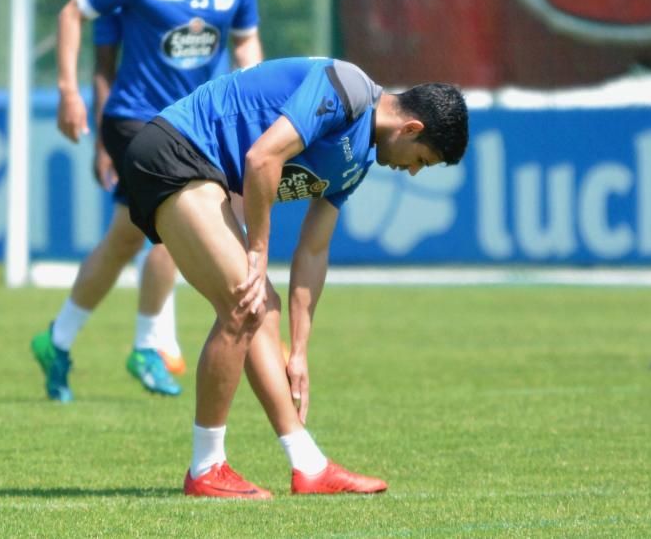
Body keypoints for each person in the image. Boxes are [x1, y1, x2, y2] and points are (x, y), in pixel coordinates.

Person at [123, 57, 469, 497]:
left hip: (197, 168)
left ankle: (308, 465)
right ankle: (206, 469)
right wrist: (257, 250)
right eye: (422, 160)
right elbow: (262, 157)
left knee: (261, 309)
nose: (414, 171)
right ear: (412, 129)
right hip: (175, 150)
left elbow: (313, 249)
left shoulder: (360, 158)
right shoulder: (348, 89)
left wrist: (299, 350)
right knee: (244, 304)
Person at [31, 0, 263, 402]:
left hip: (200, 125)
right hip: (136, 122)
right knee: (189, 215)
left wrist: (261, 107)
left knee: (123, 240)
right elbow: (74, 16)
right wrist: (69, 93)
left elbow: (246, 45)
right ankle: (148, 345)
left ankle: (57, 339)